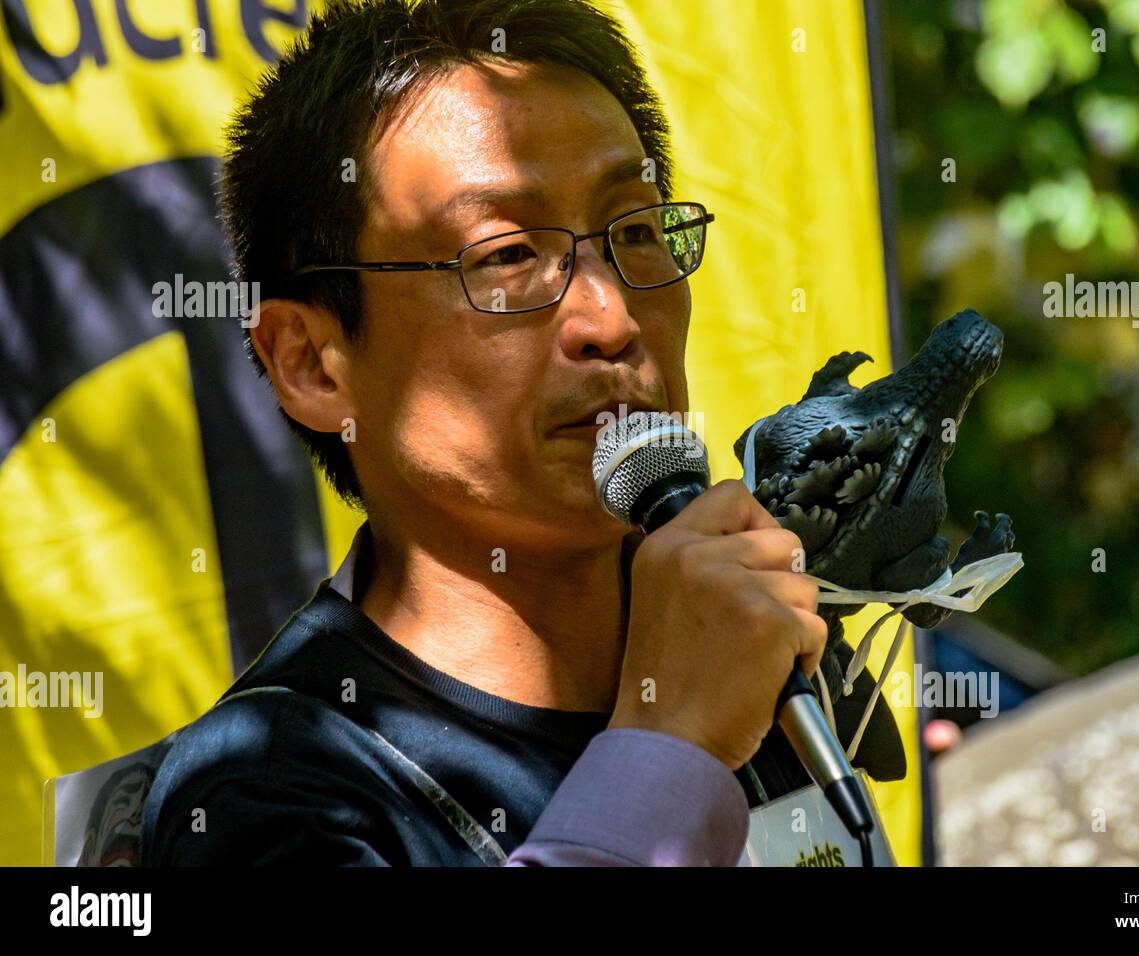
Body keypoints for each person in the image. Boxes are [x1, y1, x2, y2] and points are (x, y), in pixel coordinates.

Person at [141, 0, 829, 866]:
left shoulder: (749, 658)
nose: (609, 318)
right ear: (313, 364)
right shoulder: (272, 790)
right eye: (505, 254)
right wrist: (674, 747)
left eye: (639, 231)